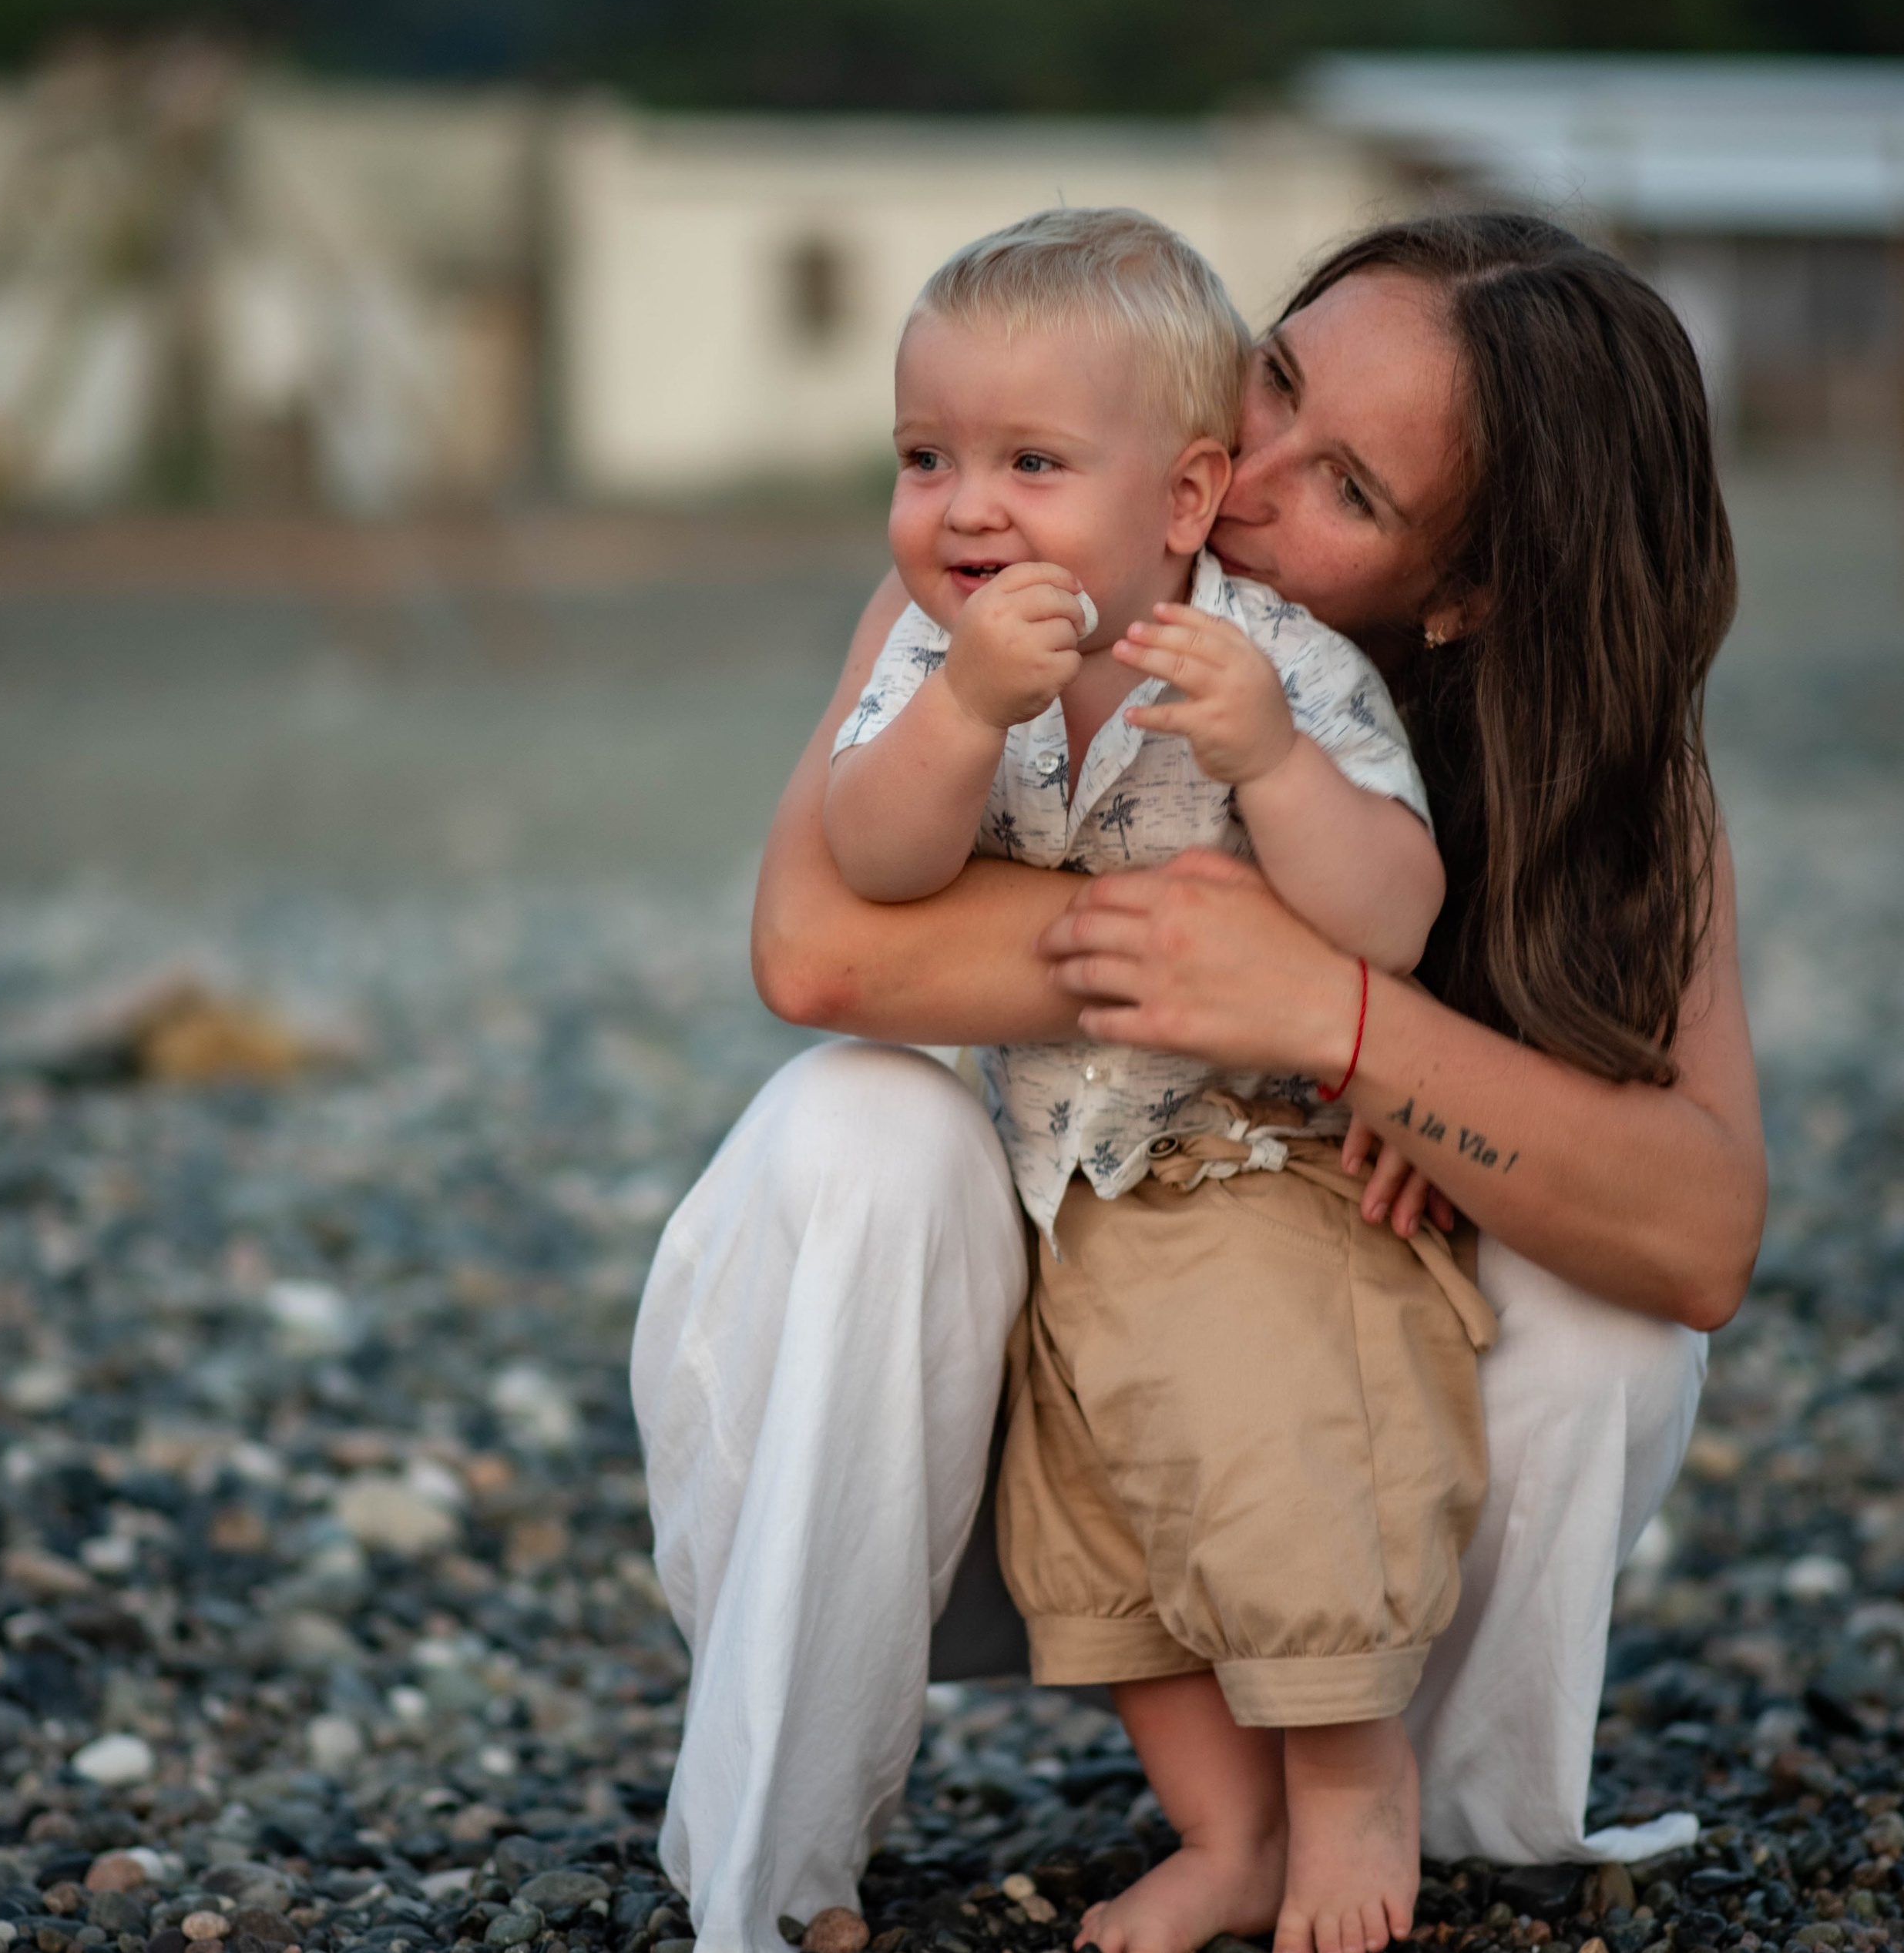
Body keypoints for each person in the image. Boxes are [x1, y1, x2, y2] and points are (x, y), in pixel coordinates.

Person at [630, 212, 1768, 1953]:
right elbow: (816, 953)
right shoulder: (1008, 578)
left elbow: (1694, 1237)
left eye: (1346, 492)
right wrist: (1196, 966)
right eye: (1277, 378)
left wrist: (1349, 1023)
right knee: (859, 1128)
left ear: (1465, 589)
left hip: (1297, 1410)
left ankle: (1395, 1796)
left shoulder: (1595, 774)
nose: (1241, 479)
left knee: (1609, 1309)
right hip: (974, 1416)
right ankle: (768, 1872)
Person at [821, 206, 1486, 1953]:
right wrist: (959, 713)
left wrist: (1269, 760)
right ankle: (1224, 1830)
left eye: (1030, 461)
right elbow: (867, 860)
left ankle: (1348, 1787)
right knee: (1098, 1550)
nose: (964, 507)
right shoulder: (932, 653)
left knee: (1279, 1485)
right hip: (1062, 1201)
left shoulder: (1272, 668)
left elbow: (1391, 915)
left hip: (1252, 1180)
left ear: (1181, 501)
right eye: (923, 456)